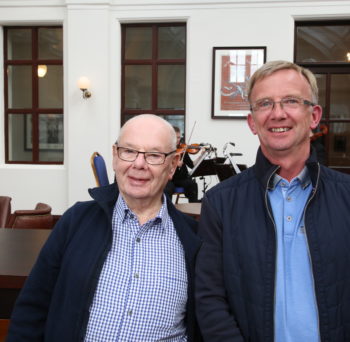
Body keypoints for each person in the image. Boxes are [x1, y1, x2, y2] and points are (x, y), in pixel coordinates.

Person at [7, 114, 202, 341]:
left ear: (172, 165)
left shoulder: (194, 241)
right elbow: (32, 309)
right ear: (114, 157)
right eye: (129, 151)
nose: (139, 164)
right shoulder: (76, 222)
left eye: (154, 155)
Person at [195, 60, 350, 341]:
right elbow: (210, 299)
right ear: (252, 122)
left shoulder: (346, 196)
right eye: (265, 104)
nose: (278, 114)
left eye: (291, 101)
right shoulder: (220, 203)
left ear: (314, 115)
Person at [165, 126, 205, 203]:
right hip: (170, 180)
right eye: (176, 137)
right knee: (168, 188)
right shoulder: (166, 149)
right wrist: (175, 164)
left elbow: (192, 164)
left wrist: (201, 156)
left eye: (179, 137)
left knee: (192, 184)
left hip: (182, 179)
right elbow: (163, 166)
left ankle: (193, 208)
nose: (178, 140)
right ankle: (169, 210)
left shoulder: (183, 149)